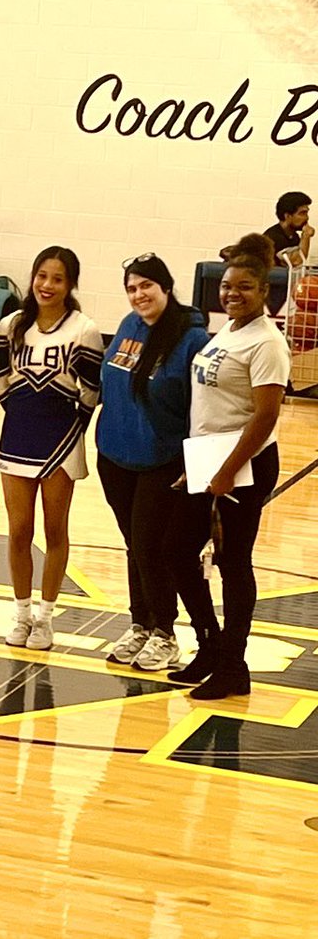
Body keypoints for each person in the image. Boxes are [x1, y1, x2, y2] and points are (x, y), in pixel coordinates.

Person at [172, 234, 289, 699]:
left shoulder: (267, 343)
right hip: (209, 459)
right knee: (177, 552)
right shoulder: (229, 331)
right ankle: (210, 644)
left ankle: (233, 667)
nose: (231, 293)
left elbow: (266, 416)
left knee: (233, 563)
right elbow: (212, 407)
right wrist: (195, 462)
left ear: (264, 293)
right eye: (226, 286)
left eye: (243, 287)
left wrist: (226, 471)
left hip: (246, 466)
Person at [95, 254, 212, 671]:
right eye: (131, 288)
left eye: (146, 285)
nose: (138, 295)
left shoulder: (192, 337)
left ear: (165, 287)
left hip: (162, 457)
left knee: (151, 545)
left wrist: (194, 457)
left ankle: (165, 630)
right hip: (115, 455)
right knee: (134, 545)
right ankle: (140, 623)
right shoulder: (129, 326)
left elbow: (204, 406)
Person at [0, 247, 103, 649]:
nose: (47, 285)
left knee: (56, 530)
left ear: (70, 284)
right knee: (19, 530)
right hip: (18, 435)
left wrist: (70, 429)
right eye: (41, 276)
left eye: (57, 278)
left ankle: (45, 618)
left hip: (61, 440)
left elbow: (91, 392)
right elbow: (0, 382)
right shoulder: (10, 326)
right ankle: (21, 614)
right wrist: (22, 414)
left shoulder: (84, 330)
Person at [263, 191, 312, 267]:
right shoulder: (273, 238)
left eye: (306, 213)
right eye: (302, 213)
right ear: (287, 216)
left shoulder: (294, 236)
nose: (306, 217)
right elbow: (297, 261)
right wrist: (306, 236)